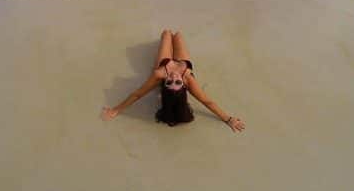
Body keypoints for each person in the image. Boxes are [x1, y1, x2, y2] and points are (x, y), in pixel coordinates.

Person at [101, 30, 246, 133]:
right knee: (178, 35)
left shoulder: (159, 74)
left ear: (164, 84)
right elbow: (208, 102)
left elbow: (137, 94)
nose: (174, 78)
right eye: (178, 83)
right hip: (184, 63)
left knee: (166, 33)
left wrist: (116, 110)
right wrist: (228, 119)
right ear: (184, 85)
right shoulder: (188, 78)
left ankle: (167, 38)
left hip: (164, 63)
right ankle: (173, 38)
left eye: (169, 82)